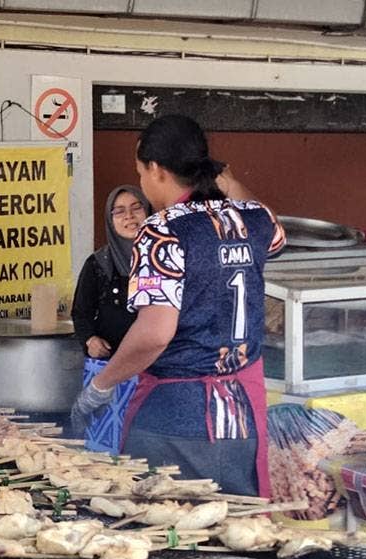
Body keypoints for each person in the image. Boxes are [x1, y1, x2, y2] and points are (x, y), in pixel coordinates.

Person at [71, 114, 285, 496]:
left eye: (140, 172)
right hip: (241, 421)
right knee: (237, 524)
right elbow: (277, 238)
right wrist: (227, 182)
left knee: (165, 523)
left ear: (156, 169)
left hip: (175, 419)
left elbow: (154, 334)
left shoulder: (162, 231)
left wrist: (101, 386)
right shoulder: (254, 218)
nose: (141, 181)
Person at [69, 185, 151, 453]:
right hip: (108, 371)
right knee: (106, 456)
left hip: (153, 370)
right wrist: (89, 339)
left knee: (146, 453)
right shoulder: (98, 264)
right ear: (110, 219)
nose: (129, 217)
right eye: (119, 212)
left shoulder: (163, 259)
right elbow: (80, 313)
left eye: (136, 208)